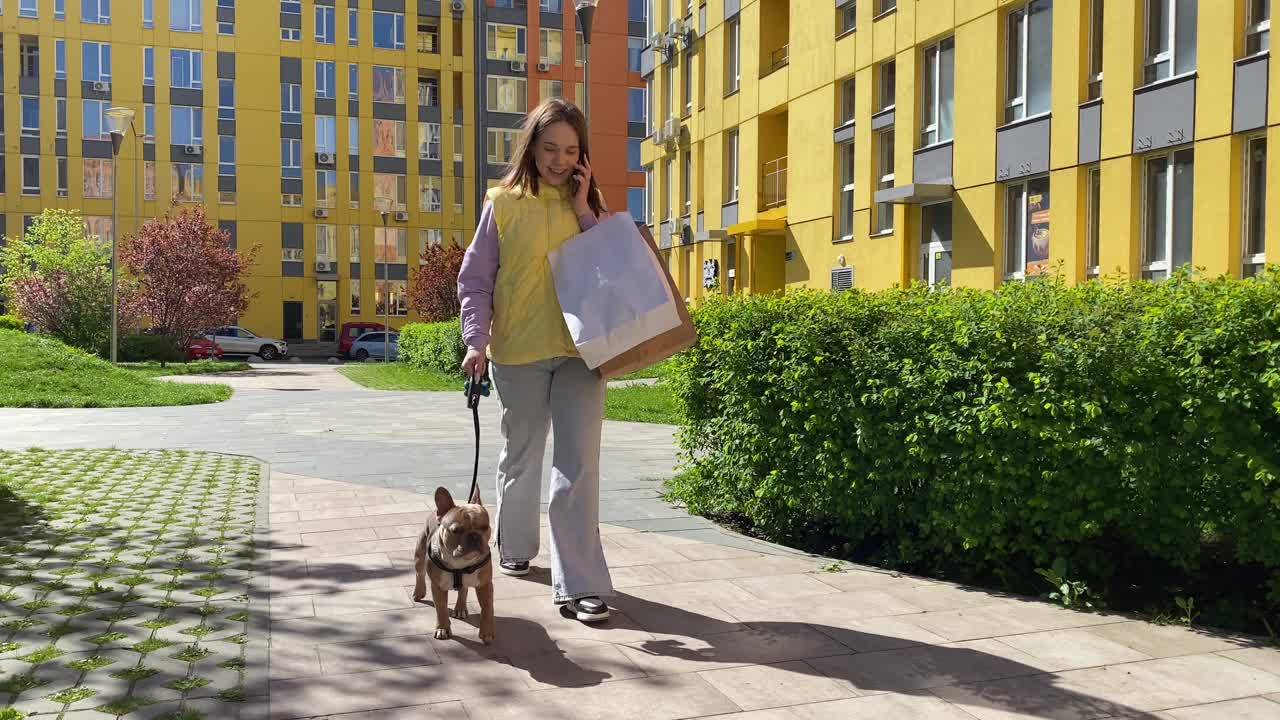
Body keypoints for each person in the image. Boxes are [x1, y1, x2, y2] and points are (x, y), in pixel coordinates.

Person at [456, 98, 613, 623]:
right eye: (550, 148)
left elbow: (610, 269)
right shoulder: (502, 204)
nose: (560, 160)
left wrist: (586, 209)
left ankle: (581, 584)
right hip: (519, 351)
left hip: (582, 353)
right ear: (531, 147)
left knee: (578, 466)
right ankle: (515, 545)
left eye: (571, 150)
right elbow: (475, 282)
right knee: (521, 458)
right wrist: (476, 342)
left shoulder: (588, 207)